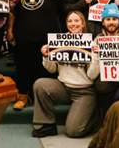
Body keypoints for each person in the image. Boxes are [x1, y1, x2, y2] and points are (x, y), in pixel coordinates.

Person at [8, 0, 70, 110]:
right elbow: (11, 10)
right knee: (23, 68)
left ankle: (46, 97)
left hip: (47, 37)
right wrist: (10, 30)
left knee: (47, 69)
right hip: (24, 36)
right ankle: (23, 96)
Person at [32, 11, 99, 139]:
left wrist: (96, 56)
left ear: (83, 23)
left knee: (73, 132)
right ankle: (47, 125)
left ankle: (96, 118)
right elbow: (52, 70)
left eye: (76, 21)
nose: (73, 24)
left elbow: (93, 75)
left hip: (85, 91)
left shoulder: (91, 44)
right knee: (40, 84)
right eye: (70, 21)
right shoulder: (59, 41)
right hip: (64, 88)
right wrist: (46, 56)